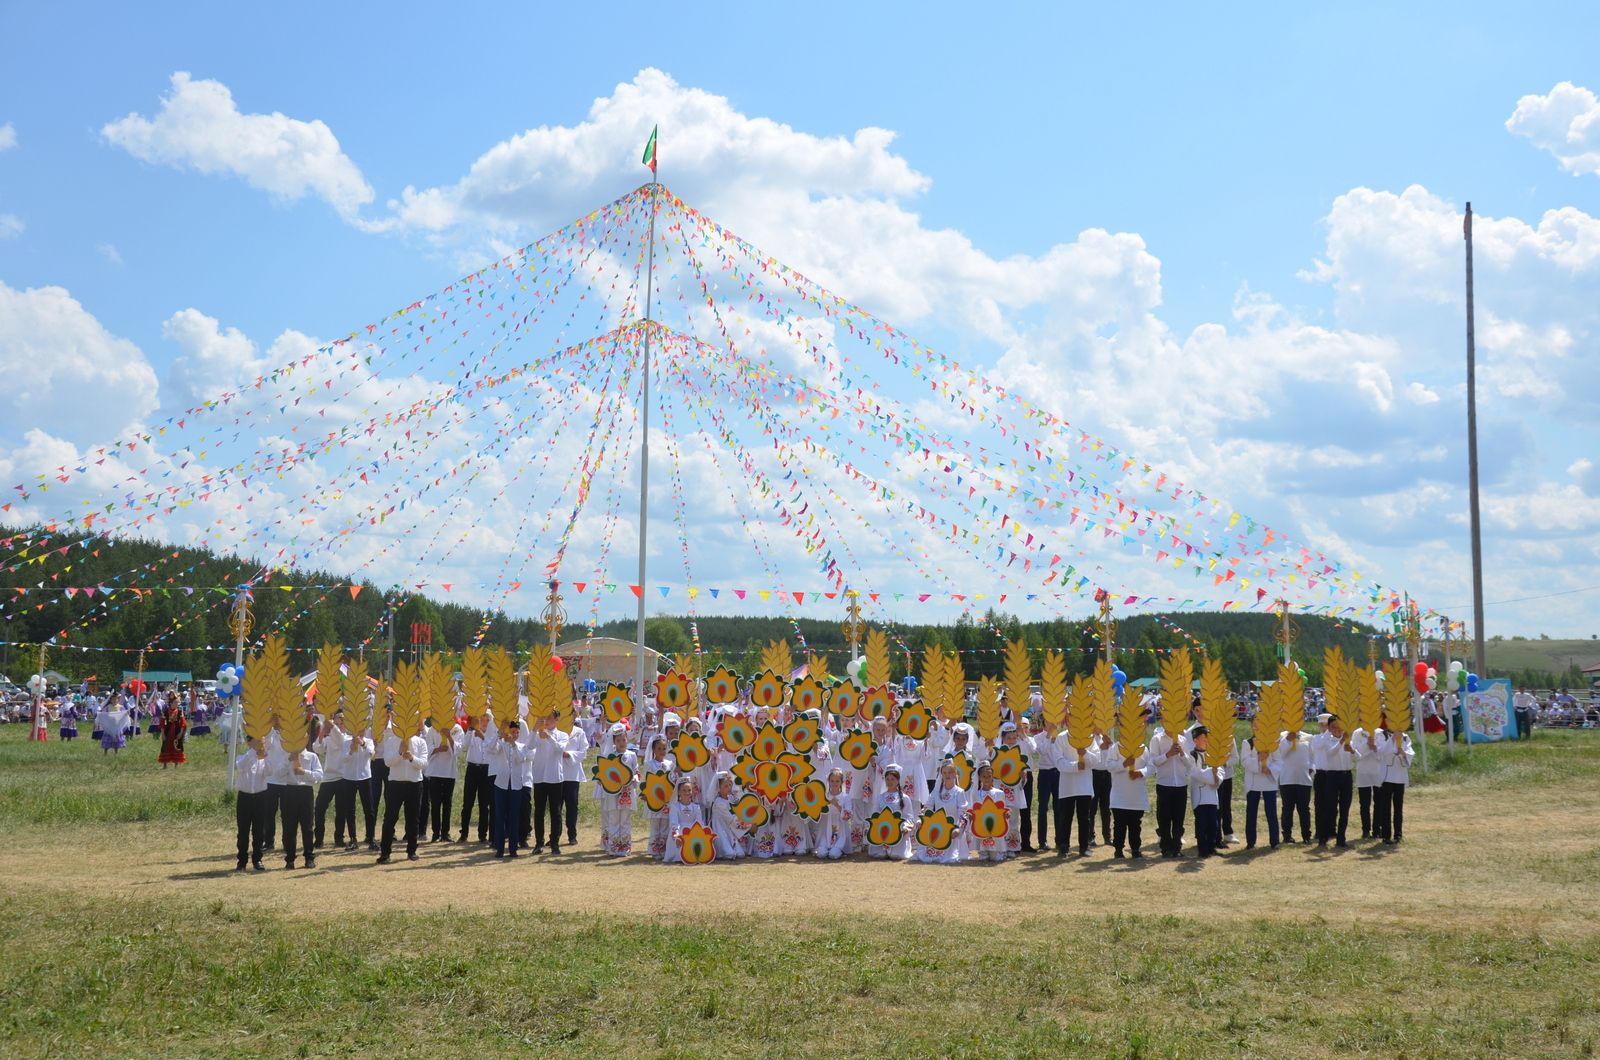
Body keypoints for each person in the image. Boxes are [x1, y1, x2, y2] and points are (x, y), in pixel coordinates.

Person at [269, 737, 323, 870]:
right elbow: (278, 774)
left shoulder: (311, 756)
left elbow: (319, 776)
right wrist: (289, 761)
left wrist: (304, 772)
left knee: (308, 827)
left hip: (305, 791)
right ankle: (290, 859)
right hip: (289, 791)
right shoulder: (286, 756)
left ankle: (309, 857)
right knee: (289, 827)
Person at [377, 723, 427, 864]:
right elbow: (387, 762)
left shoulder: (420, 742)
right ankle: (385, 853)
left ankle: (412, 851)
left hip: (414, 784)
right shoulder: (391, 741)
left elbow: (424, 763)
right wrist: (399, 753)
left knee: (413, 820)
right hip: (395, 785)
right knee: (390, 819)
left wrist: (412, 758)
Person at [1148, 726, 1193, 857]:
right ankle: (1166, 847)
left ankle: (1177, 847)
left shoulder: (1183, 740)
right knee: (1164, 817)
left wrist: (1182, 754)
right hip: (1164, 783)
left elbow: (1190, 763)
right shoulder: (1156, 739)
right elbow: (1153, 761)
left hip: (1181, 783)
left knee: (1179, 817)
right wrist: (1168, 754)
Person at [527, 714, 568, 855]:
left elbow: (560, 749)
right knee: (539, 812)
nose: (547, 721)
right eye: (545, 718)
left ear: (557, 720)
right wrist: (534, 730)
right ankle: (539, 843)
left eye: (550, 718)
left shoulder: (562, 735)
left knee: (555, 812)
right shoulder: (538, 734)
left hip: (555, 778)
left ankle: (555, 844)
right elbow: (529, 745)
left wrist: (549, 737)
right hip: (539, 777)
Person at [1312, 715, 1355, 847]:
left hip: (1346, 776)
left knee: (1344, 808)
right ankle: (1323, 837)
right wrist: (1341, 742)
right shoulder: (1326, 740)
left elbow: (1358, 757)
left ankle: (1341, 838)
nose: (1337, 729)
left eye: (1339, 726)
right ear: (1329, 729)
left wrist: (1352, 750)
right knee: (1329, 808)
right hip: (1332, 777)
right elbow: (1330, 753)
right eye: (1333, 727)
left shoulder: (1348, 740)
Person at [595, 723, 637, 857]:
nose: (621, 743)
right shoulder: (610, 756)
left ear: (627, 739)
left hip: (627, 792)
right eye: (618, 740)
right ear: (614, 742)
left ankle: (624, 847)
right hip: (612, 793)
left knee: (625, 819)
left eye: (623, 739)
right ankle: (613, 847)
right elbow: (604, 774)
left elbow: (636, 771)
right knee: (613, 818)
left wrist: (634, 779)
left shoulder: (632, 755)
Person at [311, 713, 351, 852]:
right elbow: (317, 748)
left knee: (341, 810)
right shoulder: (329, 738)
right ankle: (319, 839)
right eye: (337, 723)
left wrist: (331, 725)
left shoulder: (347, 738)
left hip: (342, 777)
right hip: (328, 777)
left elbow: (340, 740)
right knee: (319, 808)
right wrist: (322, 733)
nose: (339, 726)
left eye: (341, 723)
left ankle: (339, 838)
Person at [489, 720, 529, 858]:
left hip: (516, 786)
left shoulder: (521, 746)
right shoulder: (500, 744)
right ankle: (499, 848)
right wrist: (500, 732)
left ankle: (513, 848)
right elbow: (489, 747)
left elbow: (521, 759)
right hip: (501, 784)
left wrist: (513, 744)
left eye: (517, 732)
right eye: (513, 732)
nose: (515, 735)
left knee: (514, 818)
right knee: (500, 817)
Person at [917, 761, 969, 865]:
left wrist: (958, 828)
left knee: (949, 857)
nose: (947, 775)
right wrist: (920, 820)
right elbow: (927, 807)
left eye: (950, 772)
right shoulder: (936, 792)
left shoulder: (959, 792)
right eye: (944, 772)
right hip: (937, 827)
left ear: (955, 774)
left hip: (953, 829)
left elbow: (963, 813)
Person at [234, 736, 273, 872]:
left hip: (260, 797)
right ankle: (242, 861)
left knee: (259, 831)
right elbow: (240, 766)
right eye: (256, 741)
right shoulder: (242, 756)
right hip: (244, 797)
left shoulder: (264, 759)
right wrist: (253, 751)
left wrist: (265, 756)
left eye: (261, 741)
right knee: (243, 831)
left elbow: (269, 772)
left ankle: (257, 859)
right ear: (249, 742)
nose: (260, 744)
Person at [1053, 735, 1096, 858]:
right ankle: (1063, 847)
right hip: (1067, 786)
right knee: (1065, 818)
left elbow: (1096, 759)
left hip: (1085, 785)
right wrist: (1075, 765)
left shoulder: (1090, 737)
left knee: (1084, 818)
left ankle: (1084, 847)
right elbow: (1058, 761)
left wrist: (1085, 753)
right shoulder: (1061, 738)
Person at [1108, 745, 1153, 858]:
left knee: (1135, 824)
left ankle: (1135, 849)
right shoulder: (1115, 747)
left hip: (1136, 795)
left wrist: (1140, 772)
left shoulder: (1143, 748)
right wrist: (1123, 764)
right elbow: (1109, 766)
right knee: (1119, 824)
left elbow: (1151, 767)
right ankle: (1118, 850)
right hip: (1120, 795)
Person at [424, 717, 464, 843]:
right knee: (435, 803)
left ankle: (445, 833)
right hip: (435, 771)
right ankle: (436, 833)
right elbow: (427, 749)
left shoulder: (457, 729)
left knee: (447, 803)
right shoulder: (432, 730)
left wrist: (449, 737)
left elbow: (459, 749)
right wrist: (437, 749)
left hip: (449, 772)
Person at [1271, 726, 1313, 845]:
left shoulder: (1308, 737)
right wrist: (1288, 740)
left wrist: (1311, 768)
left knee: (1304, 809)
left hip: (1304, 779)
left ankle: (1306, 835)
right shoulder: (1281, 736)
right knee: (1287, 808)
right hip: (1287, 778)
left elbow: (1313, 756)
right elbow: (1279, 754)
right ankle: (1287, 836)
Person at [340, 719, 376, 852]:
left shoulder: (369, 741)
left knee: (369, 810)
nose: (360, 732)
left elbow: (372, 755)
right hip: (349, 778)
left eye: (362, 729)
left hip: (364, 777)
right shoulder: (345, 742)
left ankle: (371, 838)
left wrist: (363, 744)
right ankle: (353, 839)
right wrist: (350, 750)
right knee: (350, 810)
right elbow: (343, 760)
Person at [868, 764, 917, 861]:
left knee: (897, 855)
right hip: (882, 832)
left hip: (899, 832)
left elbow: (909, 817)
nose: (890, 782)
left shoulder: (905, 798)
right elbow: (875, 815)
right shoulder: (880, 797)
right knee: (878, 854)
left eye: (893, 779)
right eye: (888, 779)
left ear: (898, 781)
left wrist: (904, 827)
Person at [1375, 727, 1414, 844]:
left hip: (1400, 777)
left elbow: (1410, 752)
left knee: (1398, 808)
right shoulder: (1382, 735)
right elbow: (1381, 751)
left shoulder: (1405, 737)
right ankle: (1386, 835)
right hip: (1386, 778)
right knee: (1385, 808)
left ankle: (1398, 834)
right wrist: (1392, 738)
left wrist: (1403, 752)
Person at [1240, 736, 1280, 850]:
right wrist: (1258, 758)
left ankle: (1275, 841)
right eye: (1254, 724)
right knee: (1251, 813)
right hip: (1253, 782)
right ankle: (1250, 842)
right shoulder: (1247, 742)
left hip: (1269, 781)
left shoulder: (1273, 741)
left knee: (1271, 812)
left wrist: (1270, 769)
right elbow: (1244, 761)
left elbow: (1278, 760)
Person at [1188, 727, 1222, 858]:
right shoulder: (1192, 756)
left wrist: (1216, 778)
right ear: (1196, 740)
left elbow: (1220, 771)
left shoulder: (1214, 754)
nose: (1206, 741)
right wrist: (1212, 776)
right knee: (1202, 824)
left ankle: (1211, 847)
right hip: (1200, 795)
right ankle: (1202, 849)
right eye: (1203, 738)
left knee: (1213, 824)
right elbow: (1195, 773)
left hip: (1212, 794)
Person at [458, 714, 493, 844]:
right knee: (467, 803)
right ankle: (464, 834)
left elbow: (493, 748)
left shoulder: (491, 734)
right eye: (481, 720)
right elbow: (464, 747)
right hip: (472, 769)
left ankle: (482, 835)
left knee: (484, 805)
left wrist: (483, 737)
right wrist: (470, 729)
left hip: (486, 770)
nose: (483, 723)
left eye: (486, 720)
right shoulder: (471, 733)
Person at [967, 761, 1009, 863]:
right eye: (984, 776)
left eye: (989, 776)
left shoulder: (999, 793)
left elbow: (1002, 809)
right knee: (983, 857)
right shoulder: (976, 794)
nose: (986, 779)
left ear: (992, 776)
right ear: (980, 778)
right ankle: (983, 851)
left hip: (995, 827)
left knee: (996, 858)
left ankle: (999, 851)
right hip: (982, 826)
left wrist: (1006, 815)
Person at [1029, 718, 1059, 853]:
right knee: (1043, 808)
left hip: (1058, 773)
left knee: (1059, 808)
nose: (1051, 723)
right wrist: (1048, 736)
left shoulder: (1060, 736)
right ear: (1044, 723)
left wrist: (1054, 737)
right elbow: (1043, 751)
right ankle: (1042, 841)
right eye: (1048, 721)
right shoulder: (1037, 737)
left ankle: (1060, 840)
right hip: (1044, 773)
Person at [559, 718, 589, 848]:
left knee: (572, 807)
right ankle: (555, 836)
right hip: (557, 774)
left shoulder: (579, 732)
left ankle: (572, 835)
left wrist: (569, 754)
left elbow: (583, 753)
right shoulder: (557, 732)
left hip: (573, 775)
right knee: (556, 807)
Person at [663, 779, 704, 864]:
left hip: (693, 833)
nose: (687, 793)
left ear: (692, 792)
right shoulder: (675, 807)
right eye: (684, 790)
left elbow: (699, 823)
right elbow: (674, 823)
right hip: (679, 832)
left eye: (689, 790)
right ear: (678, 792)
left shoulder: (696, 807)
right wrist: (677, 836)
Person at [710, 772, 747, 860]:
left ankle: (733, 846)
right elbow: (731, 819)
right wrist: (748, 826)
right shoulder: (718, 803)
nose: (729, 788)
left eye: (730, 785)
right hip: (721, 829)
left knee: (741, 854)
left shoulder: (731, 798)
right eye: (726, 786)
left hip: (729, 829)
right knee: (729, 854)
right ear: (718, 788)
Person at [1089, 730, 1114, 847]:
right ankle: (1090, 837)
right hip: (1093, 774)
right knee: (1092, 808)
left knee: (1106, 808)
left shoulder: (1106, 736)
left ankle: (1107, 837)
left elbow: (1113, 755)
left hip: (1106, 774)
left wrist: (1110, 744)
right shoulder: (1089, 737)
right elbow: (1089, 756)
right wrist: (1101, 748)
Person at [157, 701, 188, 766]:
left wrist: (181, 732)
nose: (177, 704)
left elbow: (183, 723)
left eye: (177, 703)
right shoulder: (165, 712)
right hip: (167, 731)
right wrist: (162, 734)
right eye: (175, 703)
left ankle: (176, 764)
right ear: (171, 703)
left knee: (176, 746)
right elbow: (162, 723)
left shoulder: (179, 712)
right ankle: (164, 765)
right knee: (166, 746)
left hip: (176, 731)